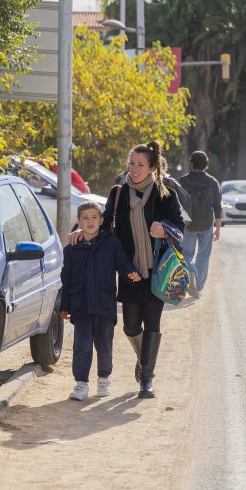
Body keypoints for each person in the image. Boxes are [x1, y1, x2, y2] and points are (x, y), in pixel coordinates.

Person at [77, 141, 184, 398]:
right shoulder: (118, 194)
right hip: (128, 271)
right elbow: (102, 225)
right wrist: (80, 233)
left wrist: (165, 230)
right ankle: (142, 356)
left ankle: (147, 378)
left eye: (140, 165)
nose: (134, 169)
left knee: (153, 323)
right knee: (130, 327)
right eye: (132, 164)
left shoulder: (166, 194)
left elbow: (180, 229)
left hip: (157, 271)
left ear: (152, 168)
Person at [60, 202, 141, 401]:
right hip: (81, 304)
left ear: (101, 220)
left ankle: (104, 379)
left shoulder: (111, 243)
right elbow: (66, 278)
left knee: (104, 345)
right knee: (82, 345)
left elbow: (122, 261)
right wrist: (65, 304)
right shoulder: (72, 248)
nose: (90, 221)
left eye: (94, 217)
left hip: (105, 303)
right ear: (78, 222)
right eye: (85, 218)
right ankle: (81, 384)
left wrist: (130, 271)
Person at [178, 151, 222, 292]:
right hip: (207, 223)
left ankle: (191, 271)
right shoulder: (213, 182)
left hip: (187, 223)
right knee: (203, 255)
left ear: (191, 163)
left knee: (186, 254)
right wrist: (218, 228)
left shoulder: (182, 181)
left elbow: (176, 204)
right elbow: (217, 207)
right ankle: (198, 287)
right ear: (206, 165)